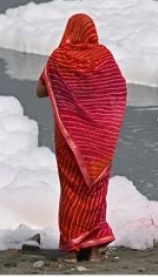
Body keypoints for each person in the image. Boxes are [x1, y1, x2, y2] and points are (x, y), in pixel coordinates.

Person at [36, 13, 127, 262]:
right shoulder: (104, 57)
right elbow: (118, 87)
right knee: (96, 188)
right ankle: (94, 248)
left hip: (70, 136)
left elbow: (40, 90)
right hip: (100, 138)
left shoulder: (59, 58)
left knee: (73, 188)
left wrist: (68, 88)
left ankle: (75, 248)